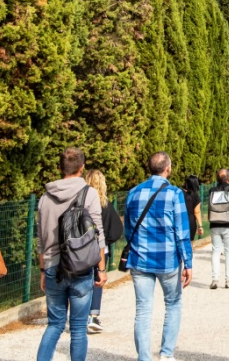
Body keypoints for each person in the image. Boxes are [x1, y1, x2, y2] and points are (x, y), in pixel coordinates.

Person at [36, 147, 106, 361]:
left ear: (60, 167)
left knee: (54, 325)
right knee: (77, 328)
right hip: (81, 267)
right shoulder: (89, 194)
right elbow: (98, 234)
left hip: (52, 267)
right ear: (82, 168)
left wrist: (42, 270)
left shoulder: (44, 198)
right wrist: (101, 269)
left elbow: (40, 240)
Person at [124, 152, 192, 361]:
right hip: (167, 260)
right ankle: (166, 354)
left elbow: (128, 228)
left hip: (140, 259)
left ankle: (144, 358)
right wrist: (187, 262)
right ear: (168, 168)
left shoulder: (134, 192)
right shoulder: (174, 194)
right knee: (173, 304)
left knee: (143, 310)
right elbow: (181, 232)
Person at [82, 169, 123, 335]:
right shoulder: (105, 205)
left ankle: (80, 315)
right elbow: (117, 228)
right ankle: (93, 315)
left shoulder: (80, 202)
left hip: (81, 249)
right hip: (101, 249)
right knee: (98, 280)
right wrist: (107, 241)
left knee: (82, 281)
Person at [206, 169, 229, 289]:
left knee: (216, 251)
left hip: (215, 224)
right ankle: (228, 280)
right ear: (228, 178)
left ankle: (215, 279)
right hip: (228, 224)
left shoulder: (212, 190)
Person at [182, 175, 203, 239]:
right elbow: (197, 212)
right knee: (189, 243)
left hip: (179, 220)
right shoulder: (195, 196)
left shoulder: (179, 193)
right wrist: (200, 226)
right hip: (190, 222)